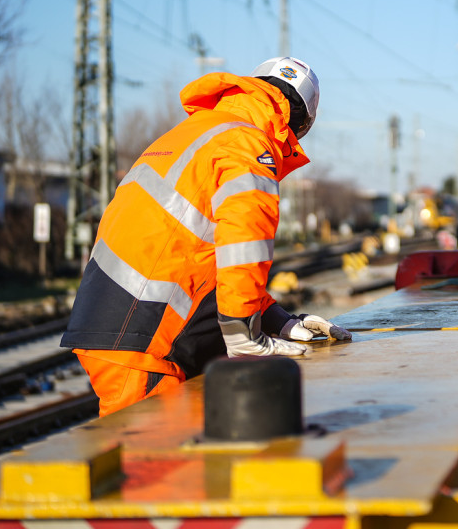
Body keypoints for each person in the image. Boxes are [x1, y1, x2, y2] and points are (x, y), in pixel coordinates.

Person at [61, 57, 351, 417]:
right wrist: (243, 331)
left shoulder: (199, 131)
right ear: (302, 126)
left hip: (123, 324)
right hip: (146, 339)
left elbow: (203, 257)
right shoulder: (248, 143)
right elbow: (244, 240)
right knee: (154, 466)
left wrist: (277, 320)